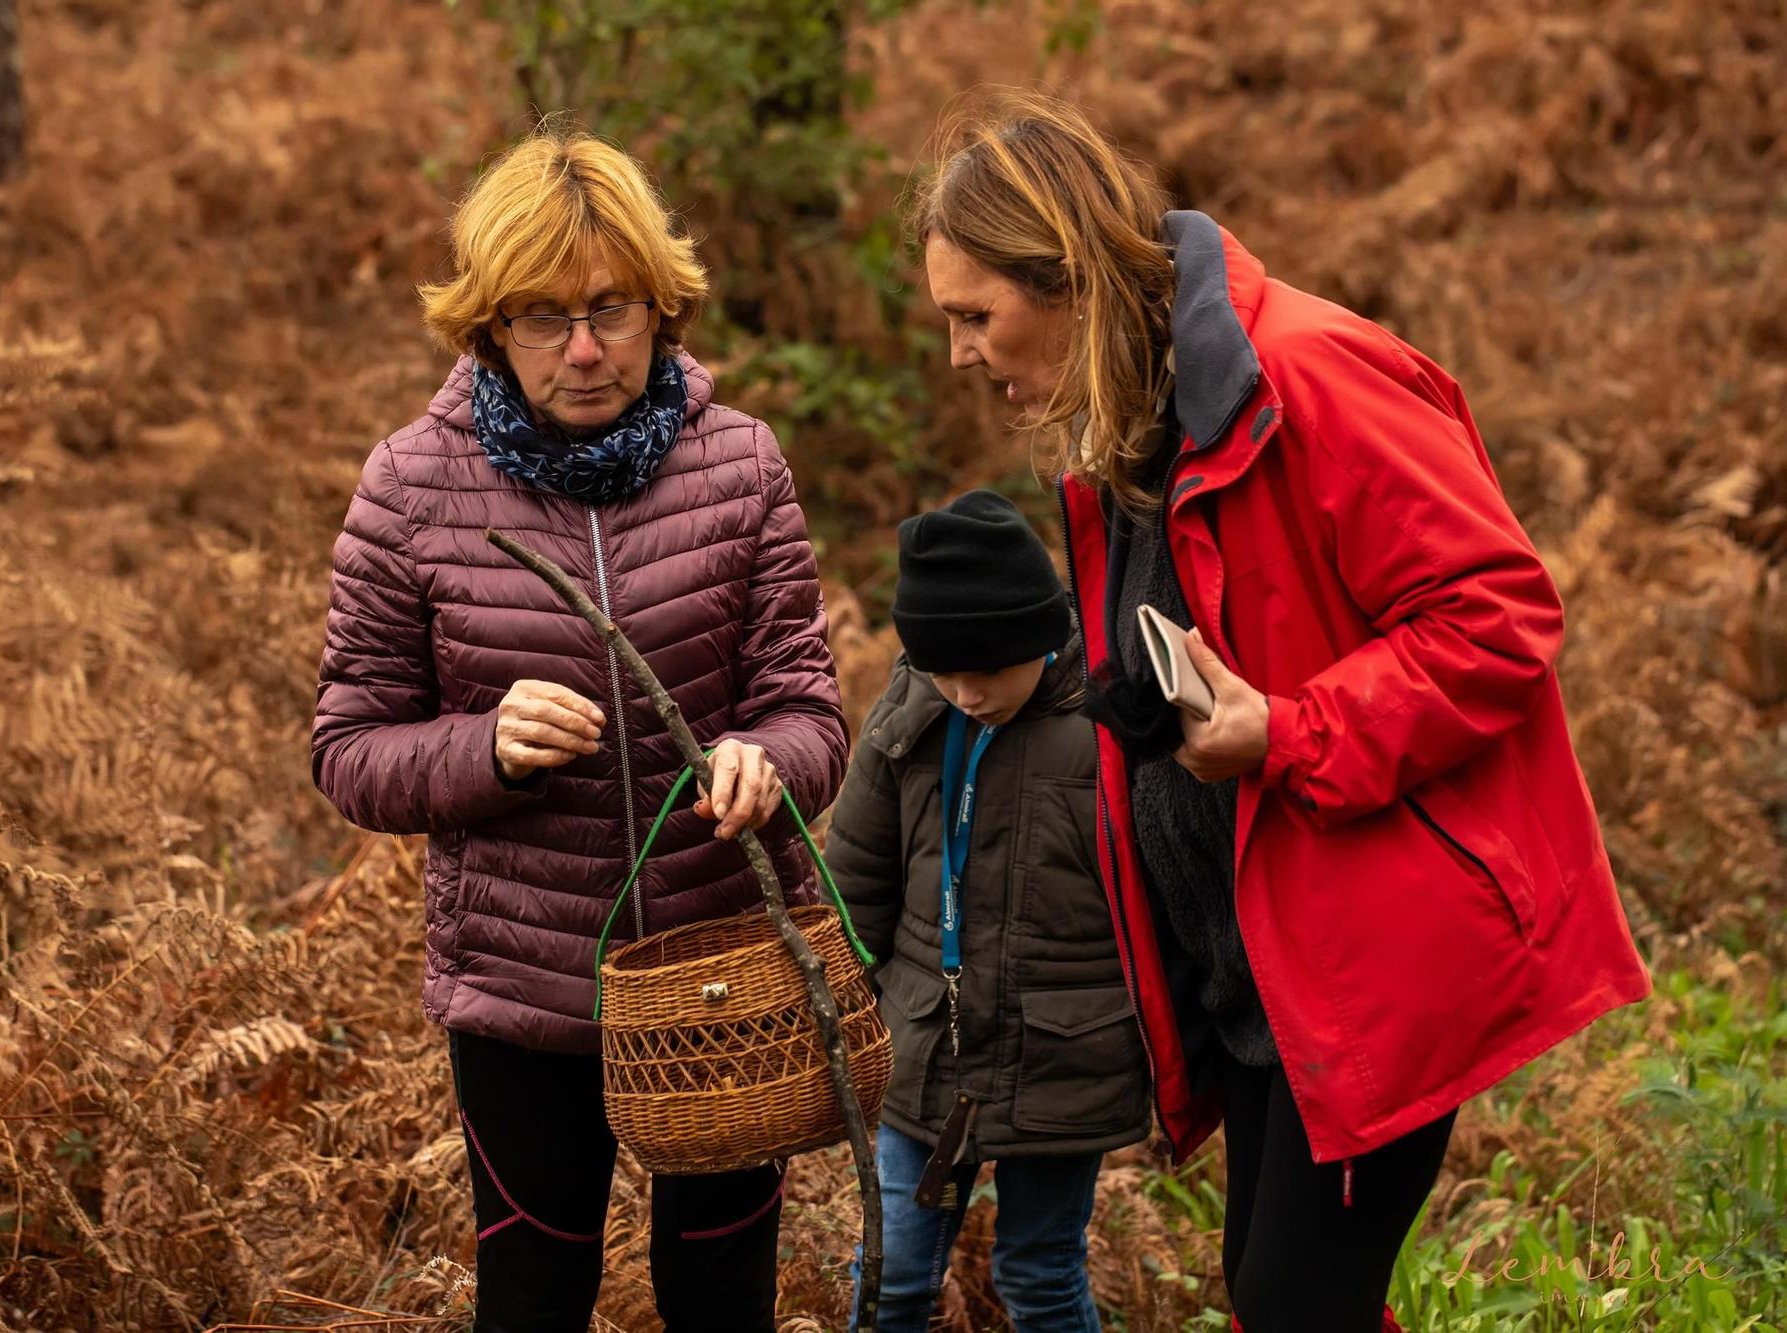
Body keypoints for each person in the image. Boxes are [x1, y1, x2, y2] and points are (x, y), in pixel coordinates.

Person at [907, 91, 1652, 1333]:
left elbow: (1497, 614)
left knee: (1291, 1301)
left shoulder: (1307, 375)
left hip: (1363, 956)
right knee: (1281, 1301)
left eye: (973, 316)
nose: (960, 354)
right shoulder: (1134, 427)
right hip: (1255, 966)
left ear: (1072, 280)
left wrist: (1293, 730)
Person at [309, 128, 848, 1333]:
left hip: (719, 976)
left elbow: (808, 707)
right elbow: (347, 749)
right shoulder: (410, 488)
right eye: (544, 316)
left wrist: (772, 759)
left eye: (612, 307)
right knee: (532, 1299)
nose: (587, 349)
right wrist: (482, 750)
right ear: (489, 325)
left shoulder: (738, 466)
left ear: (662, 306)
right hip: (519, 984)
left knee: (722, 1303)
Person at [828, 489, 1151, 1333]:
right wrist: (845, 1004)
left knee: (1039, 1276)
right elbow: (858, 872)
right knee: (890, 1275)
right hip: (922, 1041)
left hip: (1067, 1052)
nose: (967, 693)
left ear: (1041, 639)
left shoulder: (1111, 720)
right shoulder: (911, 709)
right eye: (946, 671)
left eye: (989, 671)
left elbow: (1170, 895)